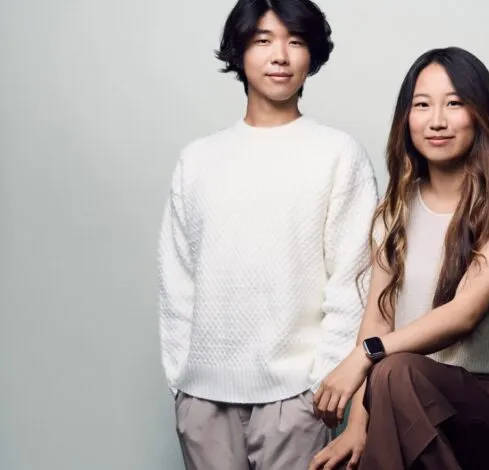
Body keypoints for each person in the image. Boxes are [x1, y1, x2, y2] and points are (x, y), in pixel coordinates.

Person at [157, 0, 378, 469]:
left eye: (295, 42)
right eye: (263, 40)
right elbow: (176, 281)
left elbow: (353, 278)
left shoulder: (338, 154)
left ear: (311, 56)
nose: (280, 55)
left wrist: (322, 381)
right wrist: (180, 379)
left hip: (297, 398)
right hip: (202, 398)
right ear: (239, 51)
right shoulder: (197, 160)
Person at [309, 47, 489, 470]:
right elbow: (378, 318)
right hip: (407, 399)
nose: (437, 120)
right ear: (406, 119)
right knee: (392, 376)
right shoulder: (396, 208)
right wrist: (357, 426)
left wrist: (365, 356)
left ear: (480, 114)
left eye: (454, 104)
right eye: (422, 105)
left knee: (393, 369)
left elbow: (462, 316)